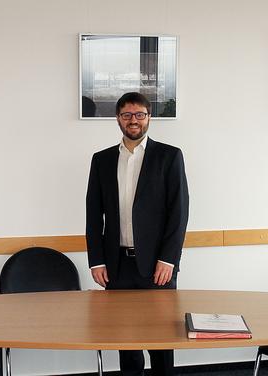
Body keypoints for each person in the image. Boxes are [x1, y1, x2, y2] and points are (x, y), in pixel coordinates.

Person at [86, 92, 189, 376]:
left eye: (140, 115)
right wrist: (96, 260)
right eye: (127, 115)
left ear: (149, 118)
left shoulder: (169, 157)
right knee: (126, 340)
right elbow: (93, 215)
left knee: (160, 342)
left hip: (157, 266)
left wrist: (169, 260)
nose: (134, 121)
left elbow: (178, 214)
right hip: (116, 266)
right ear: (118, 119)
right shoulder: (102, 160)